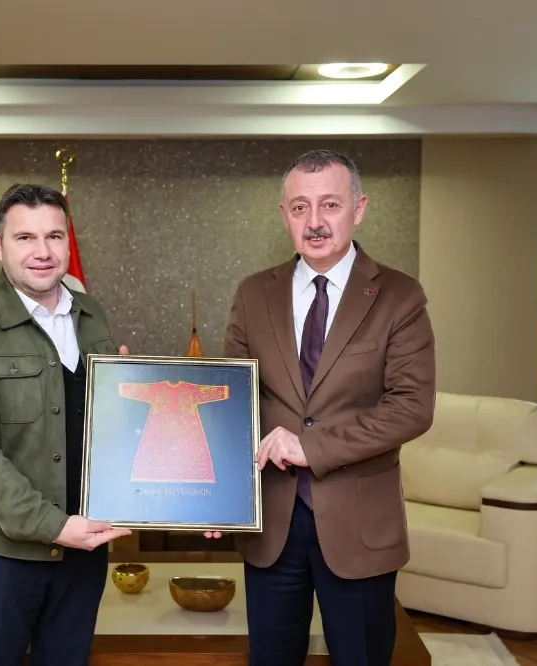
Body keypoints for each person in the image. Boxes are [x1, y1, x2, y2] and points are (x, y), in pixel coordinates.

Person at [213, 149, 436, 666]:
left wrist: (310, 446)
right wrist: (220, 495)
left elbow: (412, 407)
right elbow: (231, 402)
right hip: (270, 524)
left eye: (330, 204)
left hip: (359, 526)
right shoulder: (253, 294)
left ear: (359, 208)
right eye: (300, 207)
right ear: (285, 215)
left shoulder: (399, 296)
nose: (314, 221)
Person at [0, 183, 132, 665]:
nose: (43, 252)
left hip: (82, 549)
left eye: (54, 236)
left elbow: (104, 425)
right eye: (25, 238)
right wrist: (54, 526)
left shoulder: (92, 315)